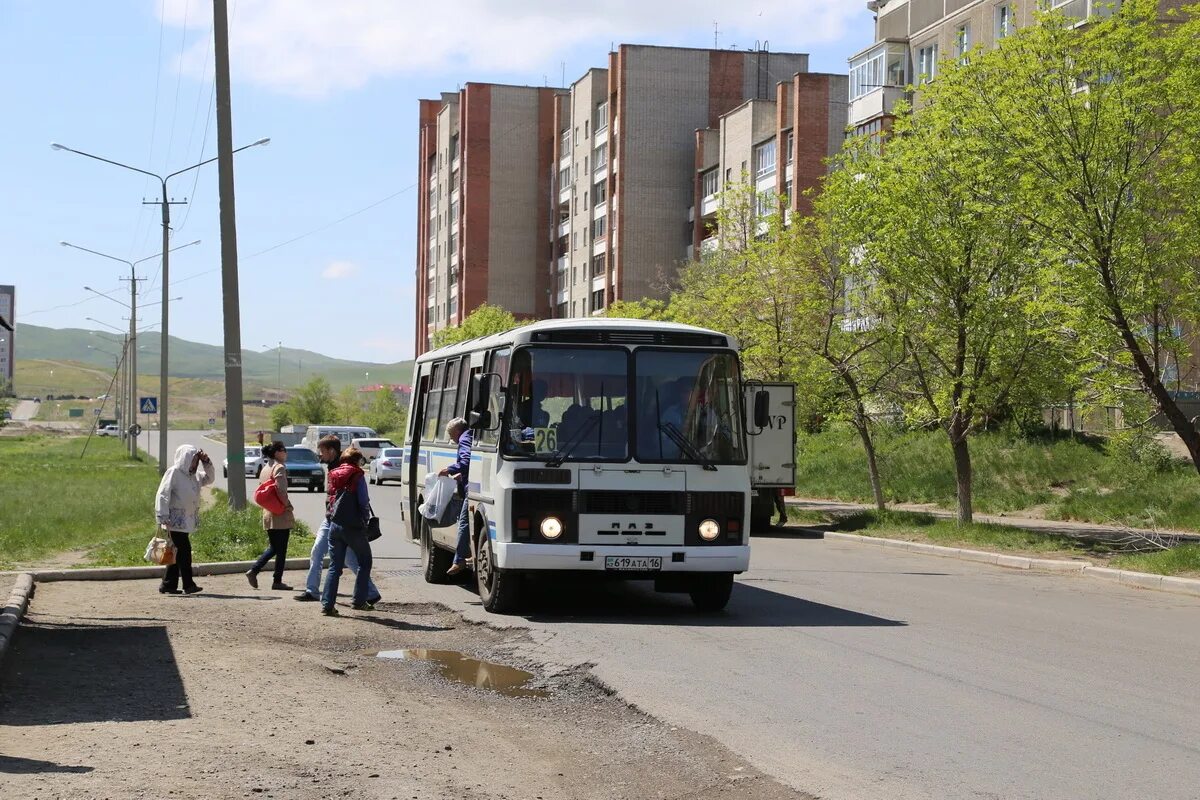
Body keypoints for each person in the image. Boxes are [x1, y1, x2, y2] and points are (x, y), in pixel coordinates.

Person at [296, 435, 380, 604]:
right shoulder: (335, 466)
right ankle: (312, 591)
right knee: (317, 552)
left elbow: (360, 498)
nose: (320, 455)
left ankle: (370, 593)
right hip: (332, 519)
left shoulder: (343, 467)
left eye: (322, 451)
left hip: (341, 520)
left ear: (331, 451)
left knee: (349, 560)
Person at [320, 447, 375, 616]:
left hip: (335, 524)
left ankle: (327, 605)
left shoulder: (334, 474)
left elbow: (330, 498)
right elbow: (363, 501)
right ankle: (359, 601)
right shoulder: (357, 475)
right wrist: (364, 521)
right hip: (353, 526)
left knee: (335, 566)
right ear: (357, 461)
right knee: (365, 562)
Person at [154, 444, 215, 595]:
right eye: (193, 460)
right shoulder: (174, 472)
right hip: (174, 521)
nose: (195, 463)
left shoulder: (194, 476)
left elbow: (210, 478)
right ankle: (188, 584)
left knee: (176, 553)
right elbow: (163, 493)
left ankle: (168, 585)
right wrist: (162, 515)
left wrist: (206, 462)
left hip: (186, 521)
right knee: (185, 552)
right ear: (185, 459)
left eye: (197, 460)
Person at [246, 441, 295, 590]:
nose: (286, 452)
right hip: (280, 513)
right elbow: (281, 491)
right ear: (277, 452)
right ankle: (276, 581)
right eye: (283, 450)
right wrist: (287, 505)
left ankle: (254, 570)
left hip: (268, 512)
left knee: (275, 547)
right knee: (281, 549)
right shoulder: (279, 467)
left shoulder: (265, 468)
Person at [440, 417, 473, 576]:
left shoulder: (465, 438)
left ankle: (459, 560)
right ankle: (463, 556)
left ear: (457, 431)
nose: (452, 440)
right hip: (469, 483)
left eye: (452, 436)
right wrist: (461, 476)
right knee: (465, 521)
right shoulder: (471, 435)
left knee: (464, 523)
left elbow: (466, 461)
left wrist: (449, 469)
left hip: (471, 489)